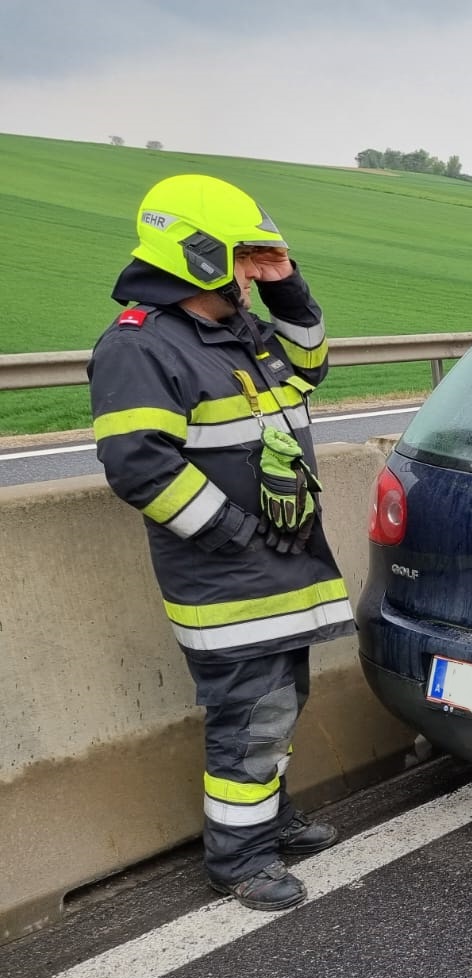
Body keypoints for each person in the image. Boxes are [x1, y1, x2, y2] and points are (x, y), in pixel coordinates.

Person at [88, 174, 354, 910]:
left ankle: (267, 817)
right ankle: (240, 859)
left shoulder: (239, 330)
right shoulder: (141, 346)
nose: (253, 271)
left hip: (278, 569)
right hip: (230, 579)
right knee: (251, 716)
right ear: (199, 254)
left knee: (279, 704)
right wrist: (237, 536)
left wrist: (286, 285)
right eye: (244, 257)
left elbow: (311, 366)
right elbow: (139, 465)